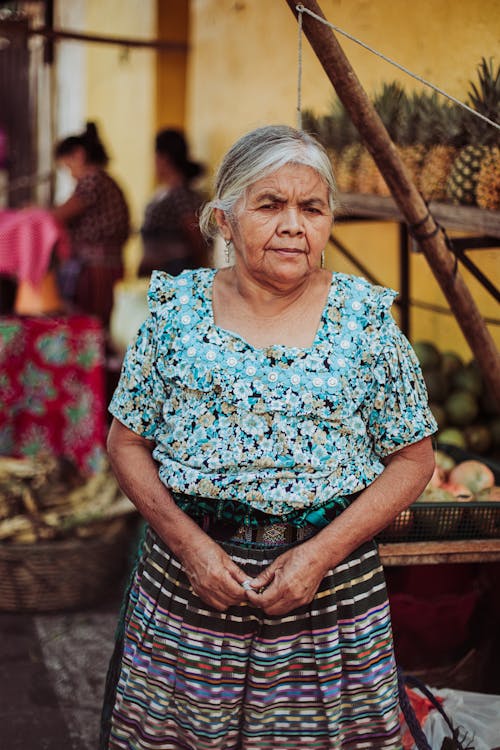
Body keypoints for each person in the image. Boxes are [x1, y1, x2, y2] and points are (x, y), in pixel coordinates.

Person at [100, 124, 437, 749]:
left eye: (312, 207)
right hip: (189, 591)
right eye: (270, 204)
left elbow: (414, 459)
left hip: (329, 597)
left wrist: (318, 555)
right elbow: (126, 443)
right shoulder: (176, 312)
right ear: (224, 220)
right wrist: (192, 549)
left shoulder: (366, 321)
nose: (293, 225)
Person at [53, 121, 130, 327]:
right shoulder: (105, 180)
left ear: (78, 155)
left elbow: (59, 215)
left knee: (91, 325)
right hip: (108, 266)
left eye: (68, 166)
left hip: (97, 270)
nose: (70, 174)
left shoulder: (92, 180)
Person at [138, 128, 209, 276]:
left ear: (164, 158)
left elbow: (195, 235)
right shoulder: (165, 192)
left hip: (174, 272)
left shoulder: (181, 195)